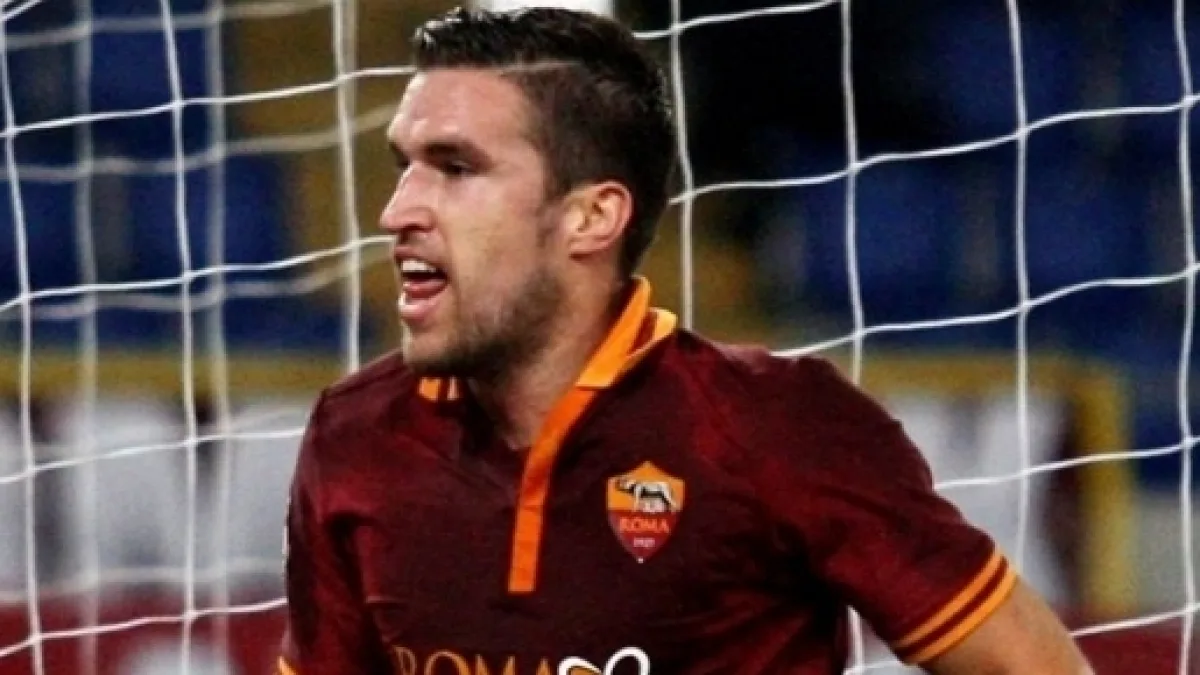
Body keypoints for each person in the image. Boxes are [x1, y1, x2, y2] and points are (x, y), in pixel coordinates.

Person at [277, 6, 1094, 674]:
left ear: (592, 216)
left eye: (454, 167)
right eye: (404, 165)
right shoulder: (356, 437)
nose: (398, 210)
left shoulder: (775, 425)